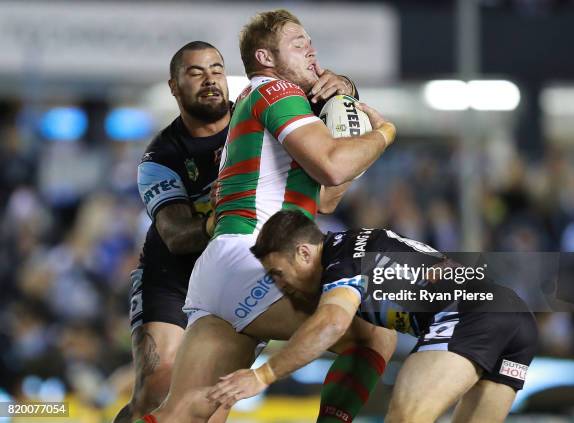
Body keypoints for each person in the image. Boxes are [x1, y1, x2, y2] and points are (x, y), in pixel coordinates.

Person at [145, 9, 398, 423]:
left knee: (189, 413)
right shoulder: (275, 90)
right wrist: (383, 134)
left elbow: (328, 197)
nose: (312, 51)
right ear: (264, 57)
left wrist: (344, 109)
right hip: (257, 257)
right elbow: (333, 165)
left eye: (311, 43)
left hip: (221, 270)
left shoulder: (261, 100)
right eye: (298, 44)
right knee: (373, 334)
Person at [209, 210, 539, 423]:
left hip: (470, 314)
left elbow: (331, 324)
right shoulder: (358, 248)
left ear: (305, 253)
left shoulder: (341, 262)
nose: (280, 285)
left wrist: (262, 375)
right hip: (515, 319)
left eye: (279, 274)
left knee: (405, 420)